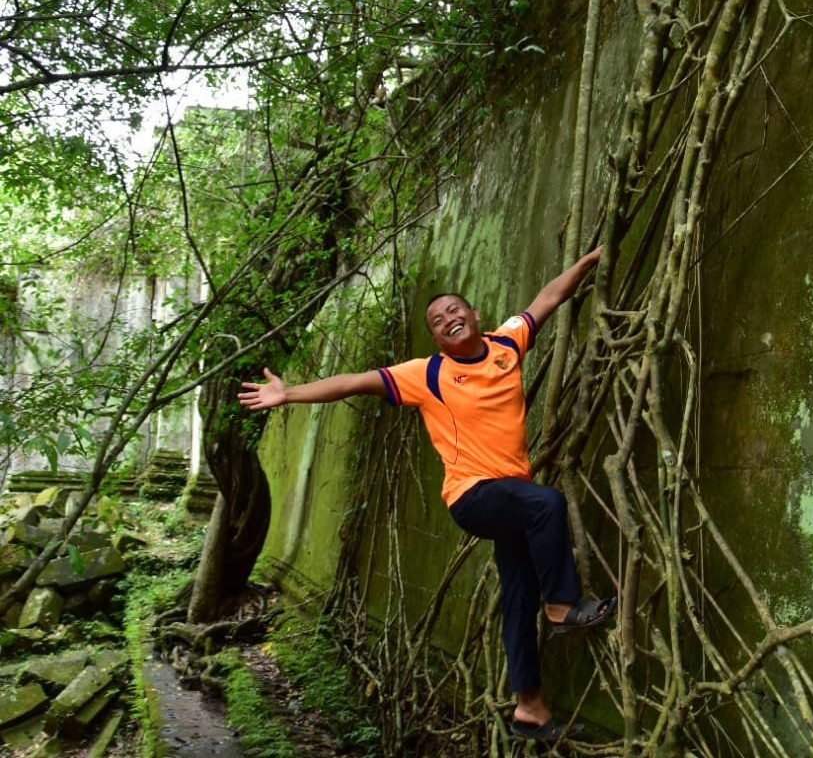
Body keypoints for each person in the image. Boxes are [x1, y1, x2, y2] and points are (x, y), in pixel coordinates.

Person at [238, 247, 616, 742]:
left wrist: (587, 263)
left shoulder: (508, 344)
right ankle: (563, 606)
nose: (449, 320)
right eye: (438, 321)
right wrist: (289, 393)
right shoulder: (427, 374)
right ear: (436, 337)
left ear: (474, 315)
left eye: (455, 311)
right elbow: (354, 382)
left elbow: (547, 298)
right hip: (473, 497)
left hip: (511, 502)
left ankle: (530, 710)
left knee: (519, 595)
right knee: (548, 504)